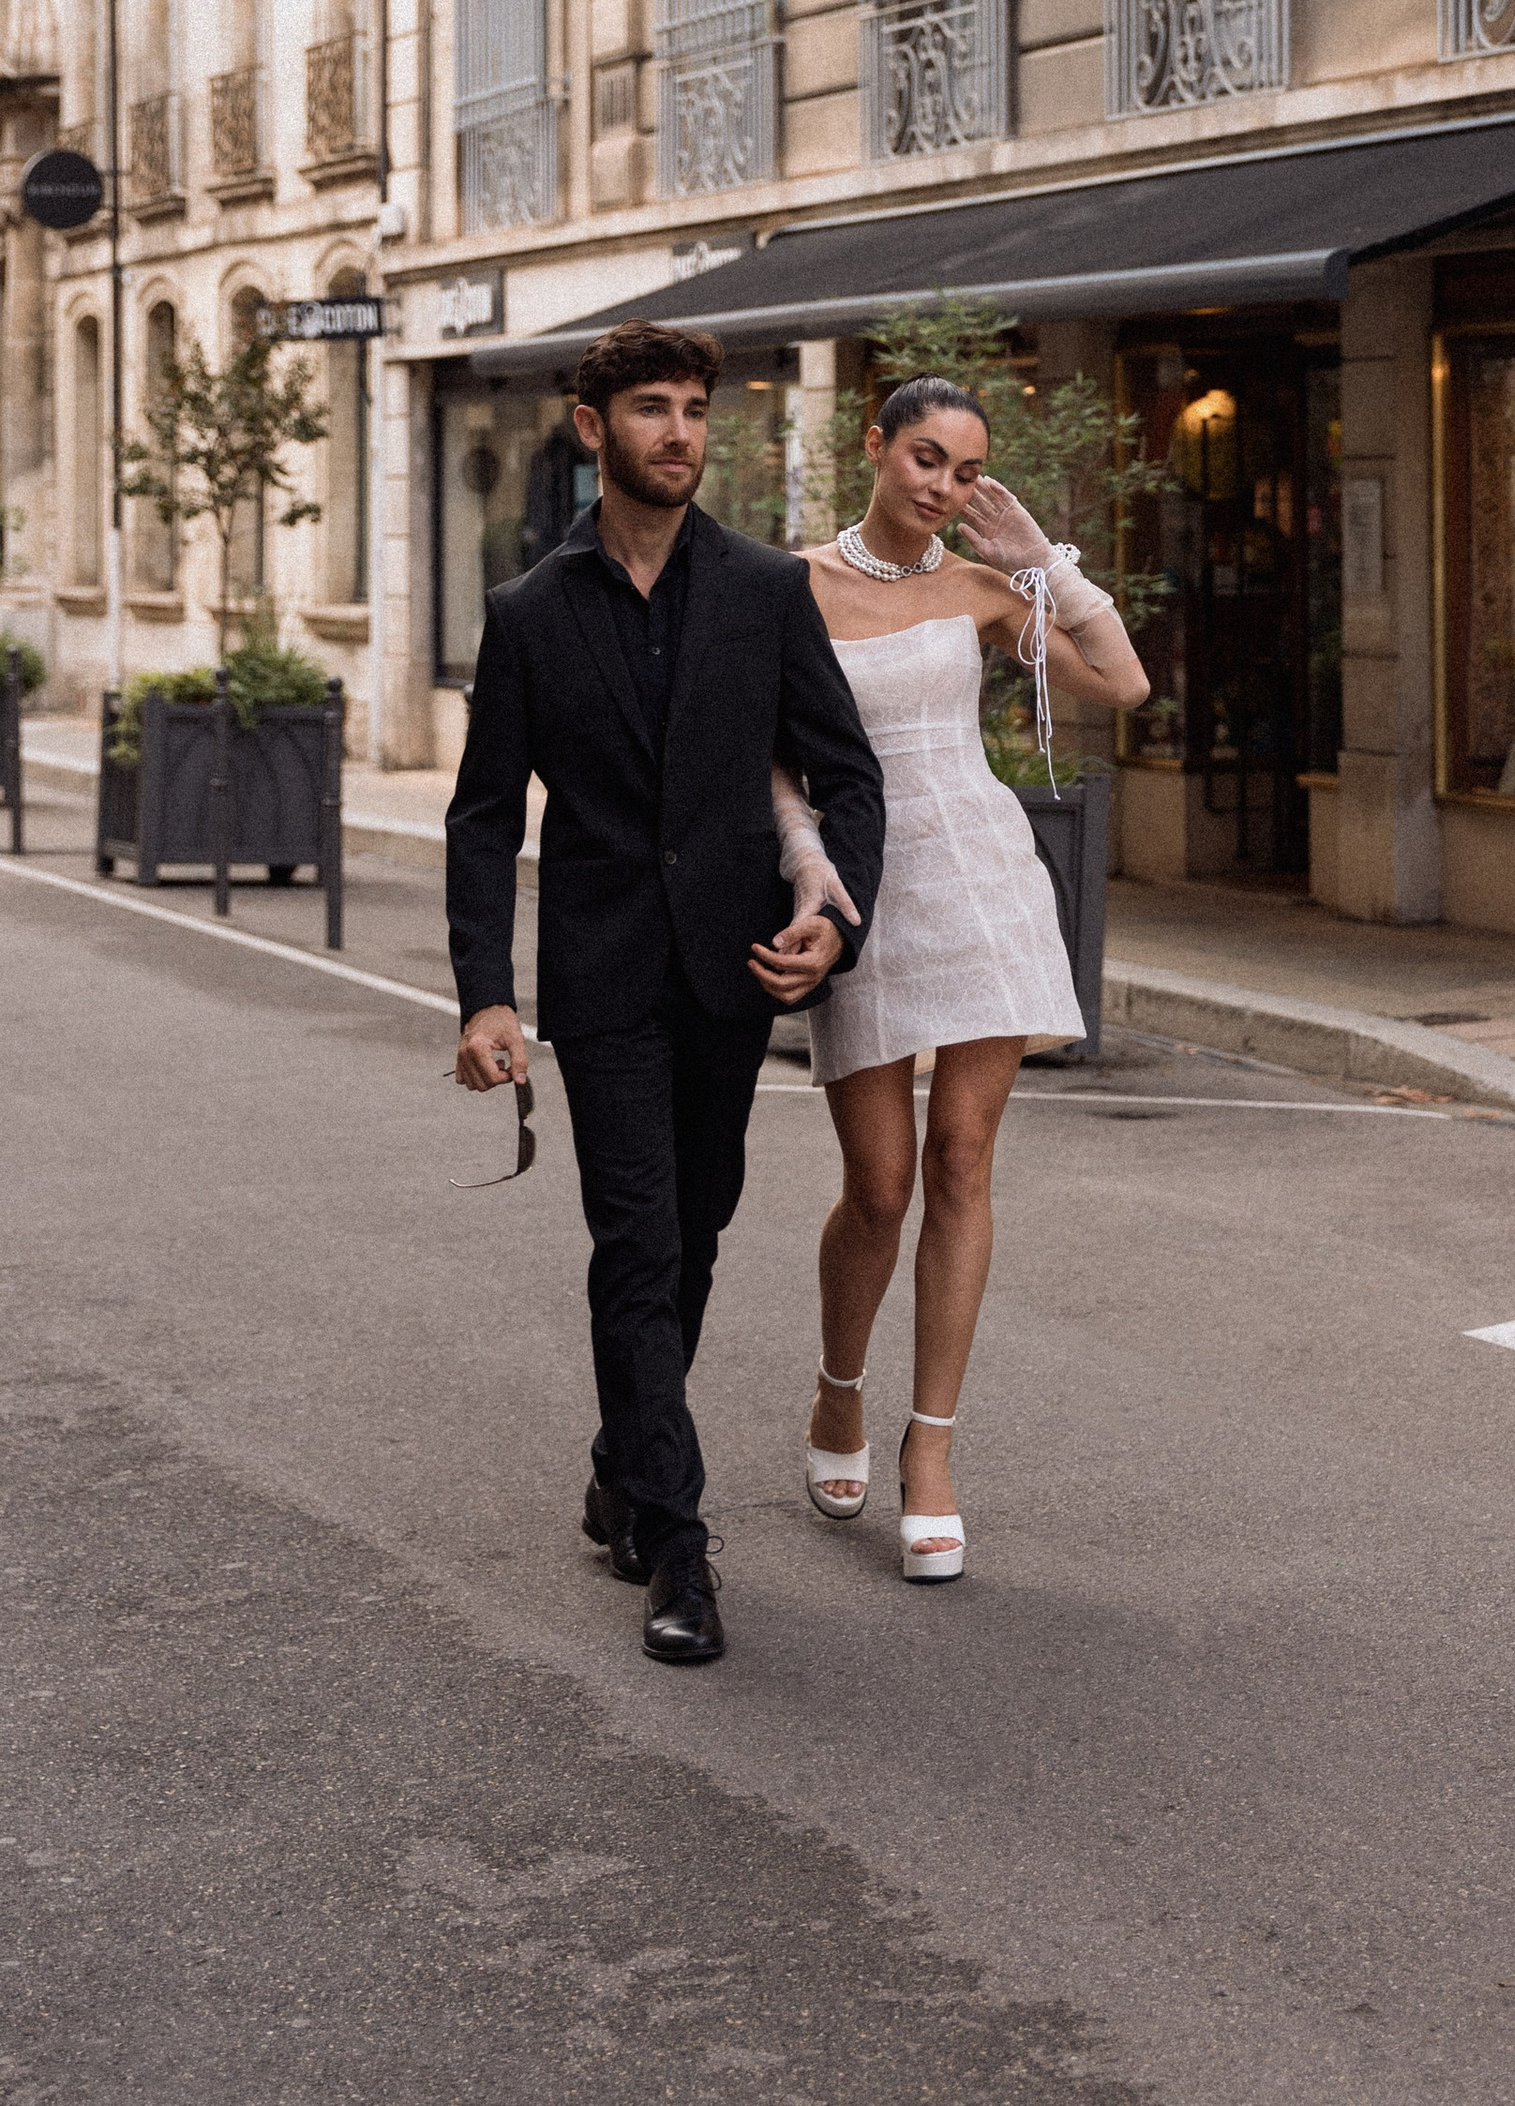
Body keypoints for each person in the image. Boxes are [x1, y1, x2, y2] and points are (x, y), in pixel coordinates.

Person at [446, 321, 885, 1666]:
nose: (682, 431)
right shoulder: (530, 615)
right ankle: (679, 1546)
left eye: (697, 408)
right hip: (604, 979)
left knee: (694, 1233)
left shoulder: (762, 592)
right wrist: (486, 996)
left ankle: (620, 1460)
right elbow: (480, 821)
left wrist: (833, 922)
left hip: (734, 968)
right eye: (653, 408)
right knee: (637, 1242)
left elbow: (848, 776)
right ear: (595, 430)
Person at [776, 375, 1149, 1581]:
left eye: (966, 471)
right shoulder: (789, 586)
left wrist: (1050, 562)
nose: (942, 487)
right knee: (878, 1186)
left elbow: (1121, 682)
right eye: (925, 459)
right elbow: (765, 758)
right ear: (875, 448)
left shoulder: (986, 588)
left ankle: (929, 1451)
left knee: (963, 1161)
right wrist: (803, 867)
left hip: (980, 879)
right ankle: (840, 1391)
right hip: (860, 888)